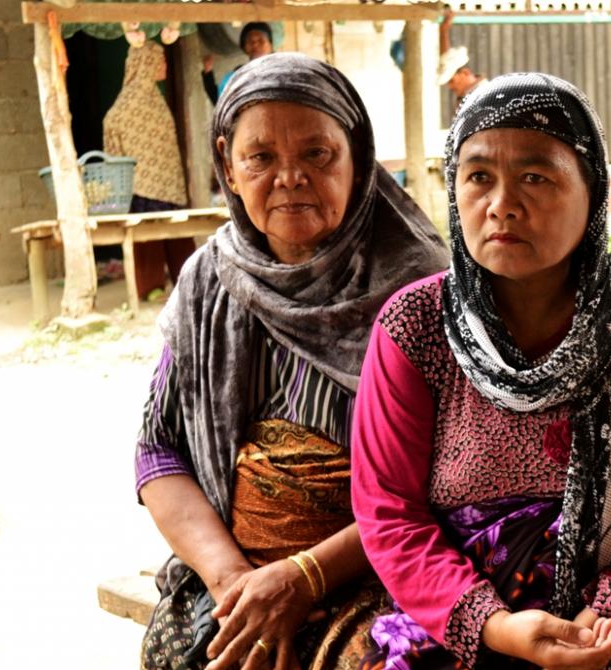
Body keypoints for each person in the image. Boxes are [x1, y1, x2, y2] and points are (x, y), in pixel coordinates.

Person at [351, 73, 611, 669]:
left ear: (593, 193)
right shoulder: (414, 326)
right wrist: (491, 625)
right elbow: (388, 511)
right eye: (478, 177)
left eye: (536, 177)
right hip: (458, 619)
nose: (502, 204)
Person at [135, 53, 448, 670]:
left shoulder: (425, 292)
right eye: (260, 158)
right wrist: (232, 583)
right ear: (227, 162)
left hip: (385, 568)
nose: (290, 178)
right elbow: (159, 450)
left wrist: (303, 575)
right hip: (237, 574)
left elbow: (453, 483)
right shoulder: (208, 282)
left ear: (357, 155)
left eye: (317, 154)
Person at [103, 42, 196, 301]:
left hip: (147, 183)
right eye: (159, 61)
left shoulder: (146, 97)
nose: (164, 66)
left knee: (159, 232)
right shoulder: (141, 100)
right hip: (149, 185)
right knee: (161, 232)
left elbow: (110, 127)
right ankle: (177, 285)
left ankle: (164, 286)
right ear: (146, 63)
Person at [202, 22, 275, 106]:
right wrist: (208, 73)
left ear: (270, 45)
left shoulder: (282, 70)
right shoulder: (238, 75)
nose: (255, 44)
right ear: (245, 47)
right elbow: (219, 101)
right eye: (250, 41)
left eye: (261, 40)